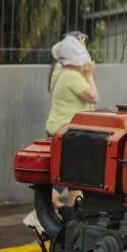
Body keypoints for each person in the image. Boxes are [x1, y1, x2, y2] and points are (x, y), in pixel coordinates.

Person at [45, 34, 98, 207]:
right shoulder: (72, 76)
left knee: (74, 181)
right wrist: (90, 75)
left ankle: (74, 214)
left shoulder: (59, 72)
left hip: (59, 129)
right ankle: (39, 215)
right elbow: (93, 96)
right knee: (67, 175)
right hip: (68, 132)